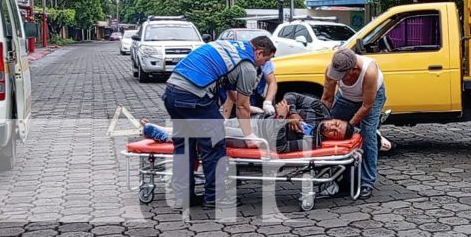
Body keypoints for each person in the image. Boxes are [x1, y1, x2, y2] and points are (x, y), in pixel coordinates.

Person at [162, 35, 276, 210]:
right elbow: (242, 107)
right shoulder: (248, 66)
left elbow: (233, 92)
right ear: (259, 52)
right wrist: (248, 135)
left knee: (184, 146)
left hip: (172, 92)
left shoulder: (232, 47)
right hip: (195, 97)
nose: (264, 64)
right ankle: (215, 197)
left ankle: (183, 197)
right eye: (266, 59)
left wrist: (246, 106)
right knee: (214, 146)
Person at [143, 92, 355, 153]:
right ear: (336, 118)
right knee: (213, 122)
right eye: (337, 123)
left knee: (214, 133)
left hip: (254, 138)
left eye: (335, 132)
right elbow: (291, 95)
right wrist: (292, 113)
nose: (332, 127)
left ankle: (168, 135)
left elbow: (280, 147)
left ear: (332, 138)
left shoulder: (312, 141)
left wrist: (281, 119)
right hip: (255, 119)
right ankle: (170, 130)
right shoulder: (320, 110)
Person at [322, 48, 386, 199]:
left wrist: (349, 125)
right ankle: (341, 178)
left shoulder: (369, 72)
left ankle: (366, 183)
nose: (339, 78)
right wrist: (323, 120)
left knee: (367, 135)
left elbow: (366, 105)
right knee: (330, 132)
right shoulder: (332, 69)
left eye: (343, 75)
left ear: (354, 69)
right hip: (345, 97)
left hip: (371, 99)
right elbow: (327, 98)